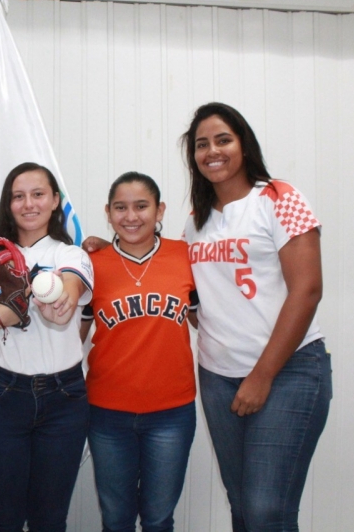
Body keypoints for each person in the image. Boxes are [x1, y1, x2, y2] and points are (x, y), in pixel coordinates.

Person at [181, 102, 331, 531]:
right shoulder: (195, 222)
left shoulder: (279, 197)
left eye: (223, 140)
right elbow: (191, 293)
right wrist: (107, 248)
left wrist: (262, 376)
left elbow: (307, 290)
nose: (212, 151)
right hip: (218, 376)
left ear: (244, 145)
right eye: (201, 144)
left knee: (267, 509)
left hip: (287, 371)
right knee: (243, 507)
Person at [0, 162, 94, 532]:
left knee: (49, 520)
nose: (29, 204)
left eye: (38, 194)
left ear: (55, 201)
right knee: (3, 519)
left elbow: (69, 290)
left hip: (63, 397)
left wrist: (59, 303)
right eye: (18, 196)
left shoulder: (72, 254)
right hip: (0, 395)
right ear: (8, 204)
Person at [80, 172, 197, 532]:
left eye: (142, 206)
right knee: (116, 519)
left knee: (159, 519)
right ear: (108, 212)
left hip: (171, 412)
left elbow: (208, 321)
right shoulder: (90, 264)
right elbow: (72, 336)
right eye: (121, 207)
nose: (131, 216)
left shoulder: (185, 256)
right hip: (107, 413)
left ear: (159, 210)